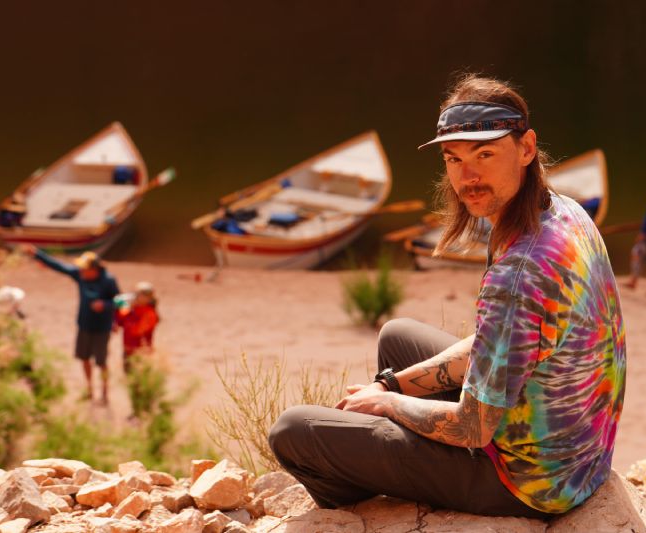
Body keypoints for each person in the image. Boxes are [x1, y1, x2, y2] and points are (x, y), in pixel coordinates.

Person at [268, 75, 626, 518]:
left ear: (527, 148)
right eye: (453, 159)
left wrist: (389, 403)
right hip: (581, 451)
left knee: (292, 431)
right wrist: (394, 382)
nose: (467, 176)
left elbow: (474, 427)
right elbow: (495, 344)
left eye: (485, 154)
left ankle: (364, 502)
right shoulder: (562, 210)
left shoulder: (518, 274)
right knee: (396, 337)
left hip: (531, 483)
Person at [21, 245, 119, 404]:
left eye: (84, 269)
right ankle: (89, 389)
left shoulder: (108, 281)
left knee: (101, 362)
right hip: (84, 325)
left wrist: (105, 306)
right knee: (84, 358)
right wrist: (37, 254)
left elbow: (118, 301)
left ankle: (105, 393)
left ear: (94, 269)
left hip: (102, 328)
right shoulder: (79, 275)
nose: (81, 271)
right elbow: (59, 266)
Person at [114, 281, 160, 374]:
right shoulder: (131, 309)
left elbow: (136, 331)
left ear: (148, 298)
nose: (135, 297)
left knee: (141, 381)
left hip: (142, 353)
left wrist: (129, 309)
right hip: (128, 352)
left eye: (138, 295)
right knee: (130, 380)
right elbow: (119, 320)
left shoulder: (150, 313)